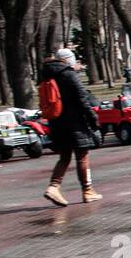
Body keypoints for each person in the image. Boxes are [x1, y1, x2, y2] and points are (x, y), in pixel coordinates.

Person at [38, 49, 101, 206]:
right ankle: (87, 191)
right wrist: (93, 119)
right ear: (68, 60)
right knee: (82, 156)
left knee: (65, 157)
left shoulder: (47, 74)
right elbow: (83, 99)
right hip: (75, 123)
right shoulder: (69, 75)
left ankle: (54, 187)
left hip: (56, 122)